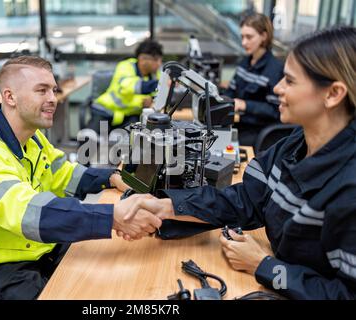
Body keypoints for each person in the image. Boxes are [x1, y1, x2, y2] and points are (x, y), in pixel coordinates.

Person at [121, 26, 356, 300]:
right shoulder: (295, 143)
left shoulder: (349, 189)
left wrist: (265, 267)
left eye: (290, 82)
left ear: (333, 93)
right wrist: (166, 206)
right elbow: (245, 200)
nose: (278, 88)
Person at [0, 56, 162, 300]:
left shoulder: (33, 137)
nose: (52, 99)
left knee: (111, 274)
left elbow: (66, 175)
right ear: (10, 97)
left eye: (53, 90)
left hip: (35, 245)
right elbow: (28, 213)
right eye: (41, 91)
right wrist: (112, 218)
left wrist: (112, 177)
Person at [224, 13, 284, 147]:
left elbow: (275, 110)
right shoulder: (244, 62)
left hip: (257, 132)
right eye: (242, 37)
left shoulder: (275, 69)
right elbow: (230, 93)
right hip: (238, 125)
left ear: (264, 36)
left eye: (249, 37)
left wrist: (245, 105)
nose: (244, 42)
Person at [88, 39, 163, 132]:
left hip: (129, 116)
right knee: (90, 139)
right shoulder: (125, 66)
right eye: (156, 60)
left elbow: (156, 94)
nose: (159, 64)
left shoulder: (155, 74)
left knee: (133, 139)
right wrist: (158, 85)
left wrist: (151, 98)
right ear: (142, 58)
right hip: (105, 111)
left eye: (160, 60)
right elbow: (127, 87)